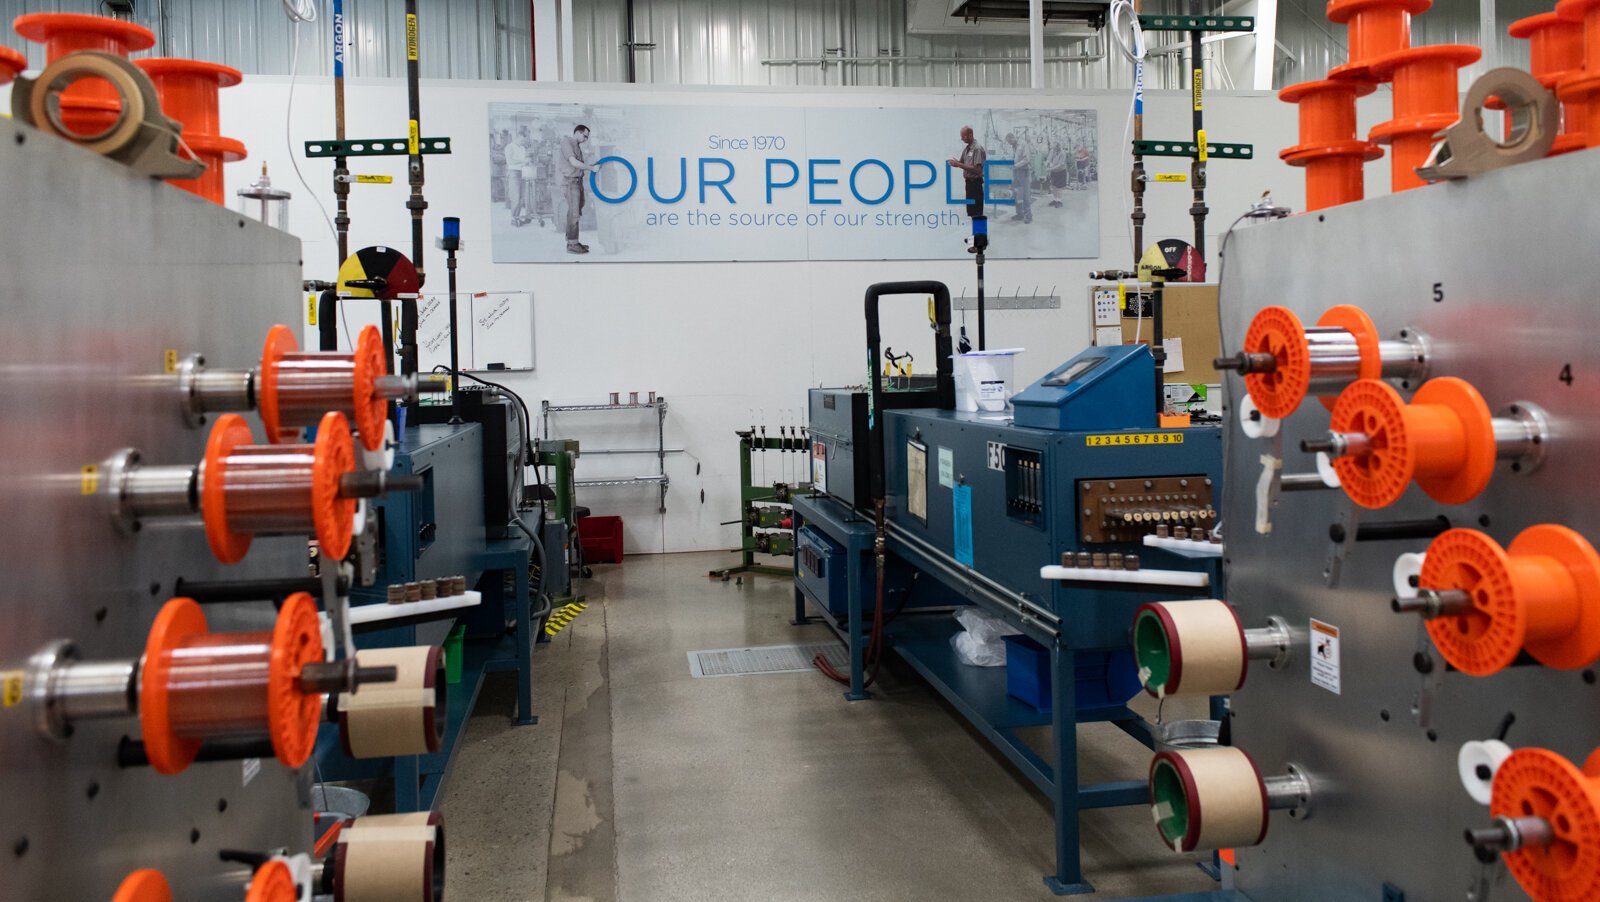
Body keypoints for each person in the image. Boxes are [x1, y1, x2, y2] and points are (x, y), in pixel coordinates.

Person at [557, 124, 600, 254]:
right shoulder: (566, 142)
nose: (586, 139)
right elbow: (574, 163)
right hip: (570, 182)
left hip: (577, 182)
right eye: (585, 136)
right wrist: (591, 168)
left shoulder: (577, 146)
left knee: (576, 211)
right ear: (578, 132)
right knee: (574, 213)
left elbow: (579, 166)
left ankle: (572, 240)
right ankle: (572, 244)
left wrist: (590, 165)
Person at [946, 125, 986, 218]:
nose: (961, 138)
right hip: (969, 184)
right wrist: (956, 163)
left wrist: (959, 164)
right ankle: (977, 233)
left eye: (963, 136)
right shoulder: (967, 149)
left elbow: (977, 169)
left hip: (975, 184)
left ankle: (980, 233)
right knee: (972, 212)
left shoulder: (977, 149)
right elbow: (962, 163)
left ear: (970, 135)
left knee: (977, 213)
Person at [1006, 132, 1034, 223]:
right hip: (1015, 173)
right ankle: (1019, 214)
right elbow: (1014, 158)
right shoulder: (1013, 146)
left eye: (1010, 141)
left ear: (1013, 138)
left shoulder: (1023, 144)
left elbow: (1026, 159)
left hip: (1023, 172)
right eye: (1008, 142)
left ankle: (1028, 216)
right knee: (1017, 193)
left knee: (1026, 195)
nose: (1009, 143)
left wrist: (1016, 166)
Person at [503, 133, 528, 223]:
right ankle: (513, 218)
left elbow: (524, 161)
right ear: (516, 139)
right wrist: (523, 161)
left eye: (524, 141)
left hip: (523, 172)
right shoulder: (509, 147)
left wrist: (526, 162)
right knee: (516, 197)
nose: (523, 142)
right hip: (514, 173)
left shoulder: (522, 148)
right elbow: (510, 161)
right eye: (522, 140)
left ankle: (517, 217)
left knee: (521, 198)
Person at [1046, 142, 1067, 208]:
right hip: (1053, 171)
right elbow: (1049, 159)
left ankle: (1059, 201)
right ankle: (1055, 200)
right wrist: (1047, 163)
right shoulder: (1052, 151)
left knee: (1059, 187)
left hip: (1061, 171)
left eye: (1055, 148)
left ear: (1058, 147)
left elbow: (1060, 165)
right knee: (1054, 186)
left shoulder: (1063, 153)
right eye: (1053, 148)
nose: (1054, 149)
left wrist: (1050, 169)